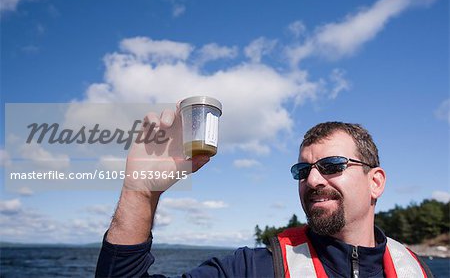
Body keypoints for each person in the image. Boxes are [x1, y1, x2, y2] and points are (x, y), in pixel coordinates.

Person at [95, 105, 434, 278]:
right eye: (303, 171)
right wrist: (139, 191)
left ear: (375, 181)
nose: (313, 180)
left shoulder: (416, 270)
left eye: (332, 165)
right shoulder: (253, 268)